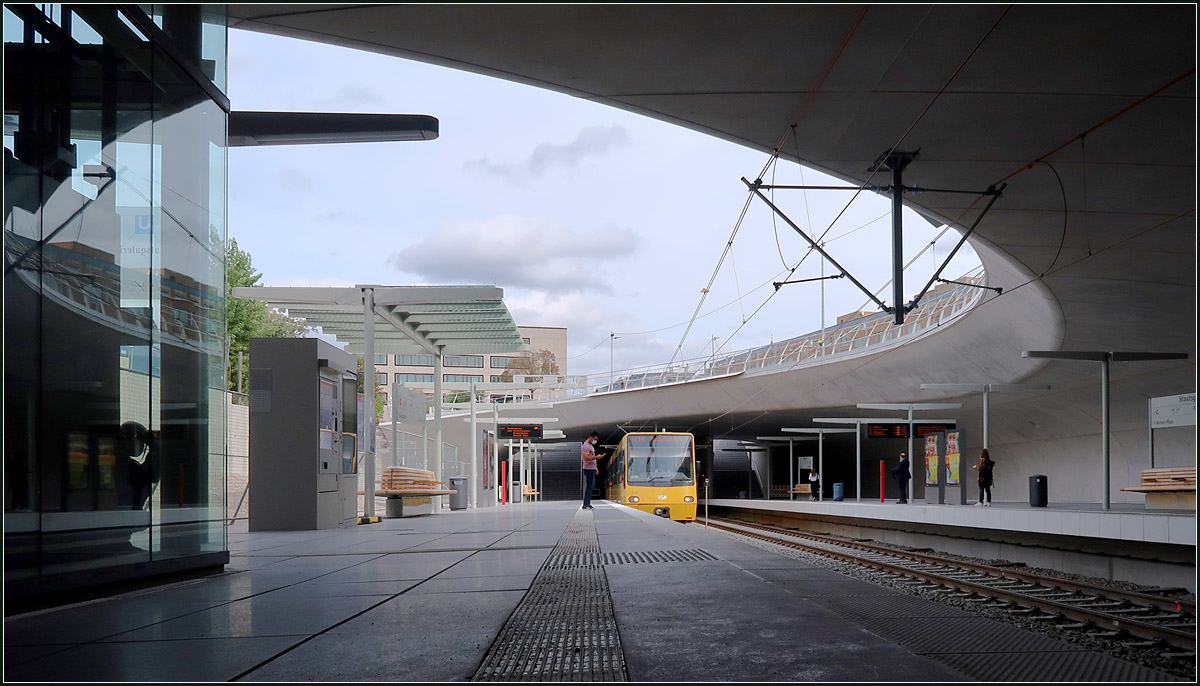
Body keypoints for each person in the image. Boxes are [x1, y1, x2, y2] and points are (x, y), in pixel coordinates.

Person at [580, 431, 605, 510]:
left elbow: (591, 456)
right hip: (588, 469)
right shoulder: (586, 446)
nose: (595, 441)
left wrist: (595, 467)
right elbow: (586, 458)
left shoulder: (590, 445)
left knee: (591, 486)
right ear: (591, 437)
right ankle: (586, 504)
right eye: (595, 439)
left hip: (591, 468)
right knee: (589, 486)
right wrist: (597, 457)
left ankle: (587, 503)